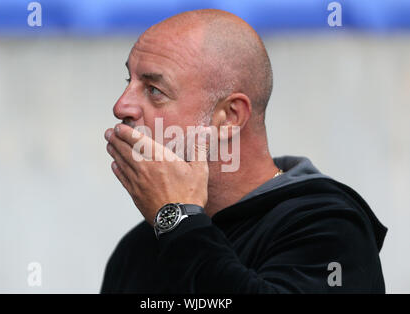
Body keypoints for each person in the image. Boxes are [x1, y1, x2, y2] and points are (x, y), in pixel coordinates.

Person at [101, 9, 387, 293]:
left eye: (153, 90)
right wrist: (177, 223)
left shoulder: (330, 230)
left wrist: (178, 221)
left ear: (229, 117)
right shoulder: (141, 247)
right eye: (129, 82)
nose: (121, 106)